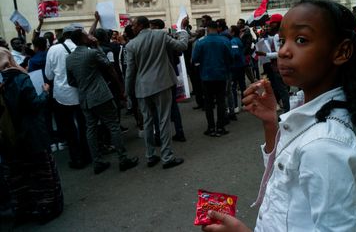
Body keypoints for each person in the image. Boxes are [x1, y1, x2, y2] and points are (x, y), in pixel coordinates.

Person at [202, 0, 356, 232]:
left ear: (342, 51)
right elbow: (289, 174)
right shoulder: (317, 112)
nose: (283, 51)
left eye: (301, 40)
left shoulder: (325, 145)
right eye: (283, 40)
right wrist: (270, 123)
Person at [0, 47, 63, 225]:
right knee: (41, 172)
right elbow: (35, 105)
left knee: (18, 175)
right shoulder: (20, 78)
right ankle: (46, 207)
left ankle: (24, 209)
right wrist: (45, 91)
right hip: (32, 134)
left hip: (8, 139)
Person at [66, 29, 139, 174]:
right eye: (86, 35)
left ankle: (97, 162)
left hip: (85, 98)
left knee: (91, 129)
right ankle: (122, 159)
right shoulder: (91, 53)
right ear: (82, 39)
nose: (89, 36)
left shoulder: (69, 58)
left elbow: (71, 81)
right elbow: (107, 64)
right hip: (100, 96)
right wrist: (97, 45)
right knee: (113, 126)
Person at [125, 16, 188, 169]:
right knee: (163, 120)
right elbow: (181, 46)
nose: (131, 27)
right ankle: (167, 157)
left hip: (142, 88)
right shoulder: (160, 35)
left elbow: (130, 72)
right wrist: (183, 31)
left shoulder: (131, 44)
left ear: (140, 25)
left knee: (148, 122)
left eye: (133, 25)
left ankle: (151, 155)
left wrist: (128, 93)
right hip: (161, 84)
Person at [45, 24, 92, 169]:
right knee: (85, 125)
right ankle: (88, 154)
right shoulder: (86, 49)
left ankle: (76, 158)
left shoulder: (53, 49)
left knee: (69, 128)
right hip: (82, 93)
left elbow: (49, 75)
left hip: (62, 95)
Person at [192, 21, 232, 137]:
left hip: (206, 75)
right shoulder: (225, 40)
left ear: (207, 29)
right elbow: (230, 57)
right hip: (221, 75)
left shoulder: (201, 42)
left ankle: (211, 127)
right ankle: (220, 127)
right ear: (217, 28)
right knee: (221, 101)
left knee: (208, 103)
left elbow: (195, 59)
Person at [257, 14, 290, 112]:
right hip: (284, 65)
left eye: (272, 23)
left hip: (279, 66)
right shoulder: (283, 33)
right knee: (283, 89)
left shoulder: (277, 36)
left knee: (282, 90)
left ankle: (287, 111)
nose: (270, 26)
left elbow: (279, 53)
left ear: (277, 23)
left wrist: (265, 54)